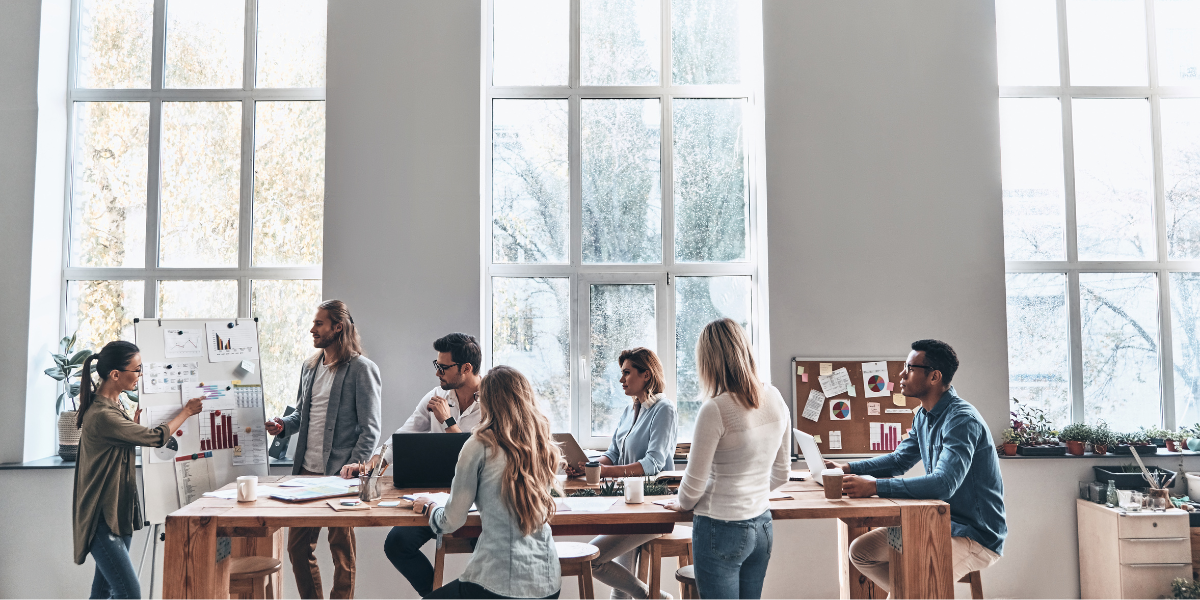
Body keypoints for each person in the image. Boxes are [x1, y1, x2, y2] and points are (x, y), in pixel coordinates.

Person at [824, 340, 1006, 594]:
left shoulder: (961, 420)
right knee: (862, 552)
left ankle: (915, 593)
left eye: (910, 368)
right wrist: (846, 468)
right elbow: (898, 461)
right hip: (934, 523)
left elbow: (943, 483)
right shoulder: (923, 416)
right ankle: (914, 593)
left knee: (916, 580)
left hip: (974, 535)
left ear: (934, 376)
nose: (901, 374)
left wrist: (875, 486)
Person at [339, 333, 483, 597]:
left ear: (466, 368)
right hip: (438, 495)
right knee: (397, 544)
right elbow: (403, 435)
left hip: (478, 498)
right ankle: (434, 596)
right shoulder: (437, 396)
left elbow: (475, 456)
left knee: (484, 549)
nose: (437, 373)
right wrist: (375, 463)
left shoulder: (492, 402)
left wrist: (448, 421)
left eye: (444, 367)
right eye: (436, 365)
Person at [663, 319, 790, 600]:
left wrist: (680, 503)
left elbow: (693, 486)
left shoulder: (715, 409)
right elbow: (782, 474)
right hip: (762, 527)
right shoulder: (775, 397)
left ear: (708, 361)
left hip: (721, 528)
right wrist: (749, 493)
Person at [411, 365, 563, 599]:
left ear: (488, 400)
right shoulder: (541, 444)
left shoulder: (479, 444)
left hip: (497, 585)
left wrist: (431, 507)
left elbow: (451, 521)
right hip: (548, 584)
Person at [264, 300, 381, 599]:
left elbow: (370, 428)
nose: (312, 329)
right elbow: (301, 415)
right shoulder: (310, 366)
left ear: (337, 327)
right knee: (298, 548)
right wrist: (283, 425)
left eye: (319, 324)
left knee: (341, 550)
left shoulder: (361, 369)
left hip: (340, 474)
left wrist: (355, 466)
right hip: (305, 472)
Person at [73, 341, 204, 599]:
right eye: (137, 369)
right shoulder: (102, 414)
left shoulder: (114, 408)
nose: (140, 374)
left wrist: (130, 427)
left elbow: (115, 446)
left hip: (118, 511)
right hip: (101, 516)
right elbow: (156, 437)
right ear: (115, 374)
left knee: (103, 591)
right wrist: (186, 412)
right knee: (129, 592)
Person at [563, 347, 677, 599]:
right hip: (626, 506)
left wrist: (603, 472)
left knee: (592, 558)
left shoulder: (664, 409)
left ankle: (655, 598)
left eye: (627, 373)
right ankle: (653, 597)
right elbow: (612, 455)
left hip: (652, 507)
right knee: (617, 587)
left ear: (646, 375)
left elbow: (653, 463)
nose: (621, 379)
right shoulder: (628, 411)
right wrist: (587, 466)